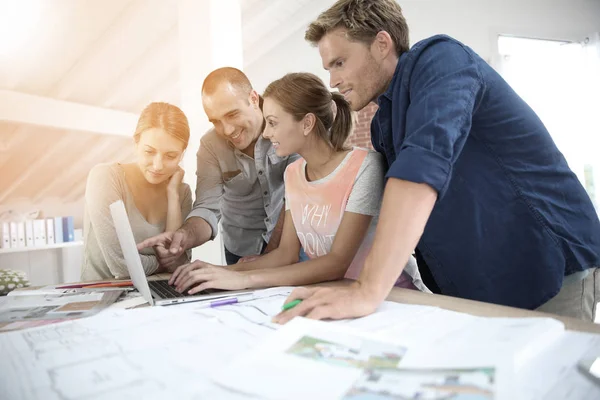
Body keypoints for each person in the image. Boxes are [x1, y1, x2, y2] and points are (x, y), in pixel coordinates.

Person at [274, 0, 600, 324]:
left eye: (340, 63)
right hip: (483, 282)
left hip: (548, 263)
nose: (333, 81)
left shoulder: (442, 60)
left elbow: (421, 165)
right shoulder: (383, 122)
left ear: (382, 44)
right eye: (329, 68)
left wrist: (366, 289)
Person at [168, 72, 427, 295]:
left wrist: (243, 278)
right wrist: (219, 271)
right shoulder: (293, 173)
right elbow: (285, 255)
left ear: (307, 123)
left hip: (394, 295)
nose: (266, 134)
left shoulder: (365, 167)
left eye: (272, 123)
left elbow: (337, 261)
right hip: (340, 292)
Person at [137, 68, 299, 267]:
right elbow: (208, 208)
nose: (227, 130)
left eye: (232, 114)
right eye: (216, 121)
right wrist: (183, 236)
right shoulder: (210, 146)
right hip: (240, 250)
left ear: (254, 99)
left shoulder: (287, 120)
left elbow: (296, 195)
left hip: (291, 244)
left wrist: (272, 255)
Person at [82, 102, 192, 281]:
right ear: (136, 142)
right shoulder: (105, 177)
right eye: (149, 152)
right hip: (102, 296)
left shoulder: (182, 192)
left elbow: (180, 262)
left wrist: (173, 195)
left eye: (170, 156)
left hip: (158, 293)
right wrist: (164, 262)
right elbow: (121, 266)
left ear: (182, 153)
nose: (158, 165)